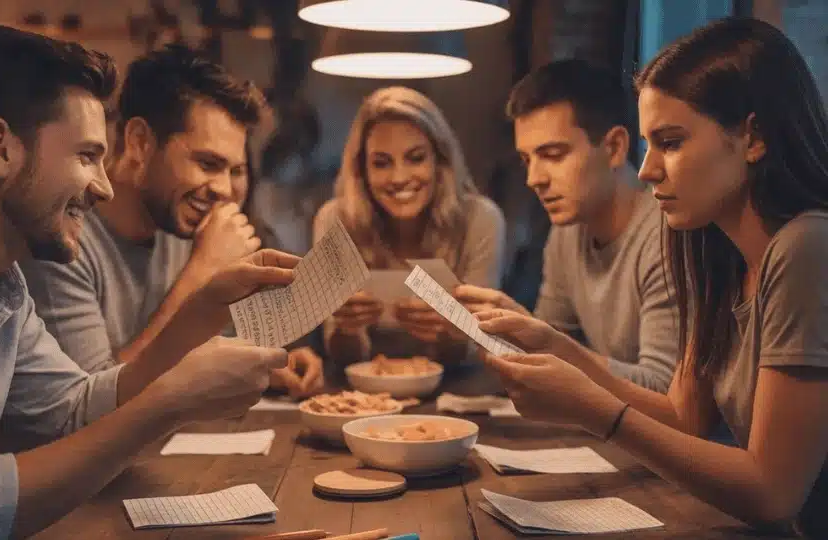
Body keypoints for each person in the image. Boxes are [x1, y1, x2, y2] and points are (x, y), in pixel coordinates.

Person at [0, 25, 299, 539]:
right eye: (87, 156)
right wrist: (169, 403)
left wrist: (200, 313)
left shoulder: (0, 285)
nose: (104, 185)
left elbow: (74, 411)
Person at [477, 17, 828, 537]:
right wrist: (556, 345)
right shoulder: (716, 253)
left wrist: (597, 413)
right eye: (649, 144)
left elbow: (773, 493)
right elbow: (682, 416)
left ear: (752, 137)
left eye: (671, 142)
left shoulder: (807, 246)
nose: (646, 170)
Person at [20, 45, 323, 397]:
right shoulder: (63, 241)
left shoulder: (180, 221)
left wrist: (266, 365)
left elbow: (197, 357)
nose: (225, 190)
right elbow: (92, 408)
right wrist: (203, 274)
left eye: (236, 170)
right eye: (208, 164)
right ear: (140, 143)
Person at [454, 59, 678, 393]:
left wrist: (547, 342)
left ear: (614, 147)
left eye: (554, 154)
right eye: (527, 160)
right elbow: (547, 359)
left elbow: (663, 392)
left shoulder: (668, 236)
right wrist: (500, 332)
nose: (534, 179)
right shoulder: (567, 233)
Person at [315, 86, 507, 370]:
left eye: (416, 158)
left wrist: (450, 334)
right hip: (363, 395)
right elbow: (342, 355)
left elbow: (481, 349)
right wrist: (348, 328)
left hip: (459, 392)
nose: (400, 177)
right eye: (381, 163)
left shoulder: (480, 219)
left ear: (439, 161)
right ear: (362, 171)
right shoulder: (334, 220)